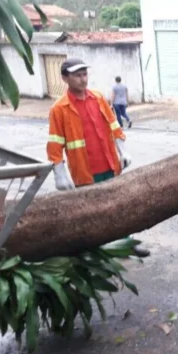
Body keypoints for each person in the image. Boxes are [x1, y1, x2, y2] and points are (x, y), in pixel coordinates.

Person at [46, 58, 148, 257]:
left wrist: (123, 150)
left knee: (119, 205)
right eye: (77, 76)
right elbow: (55, 144)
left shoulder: (98, 98)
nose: (83, 79)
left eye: (85, 74)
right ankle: (98, 251)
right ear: (65, 78)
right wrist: (59, 172)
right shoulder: (59, 109)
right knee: (92, 212)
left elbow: (114, 125)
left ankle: (127, 243)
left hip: (109, 164)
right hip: (85, 172)